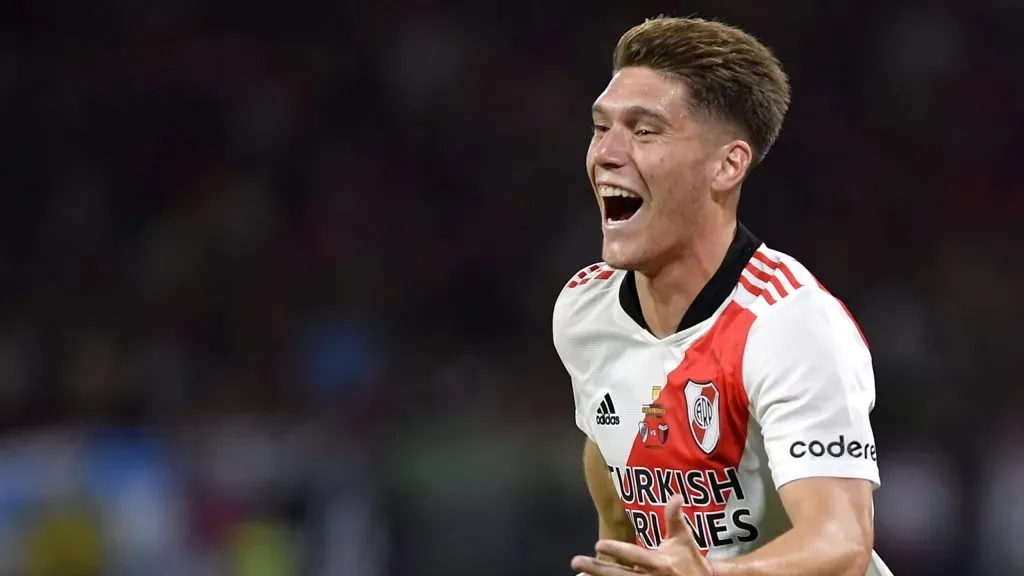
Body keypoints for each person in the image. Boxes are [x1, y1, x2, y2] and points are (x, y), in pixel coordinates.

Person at [552, 16, 894, 576]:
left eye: (644, 131)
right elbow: (614, 483)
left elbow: (841, 541)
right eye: (601, 127)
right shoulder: (584, 311)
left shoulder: (789, 323)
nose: (606, 154)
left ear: (727, 165)